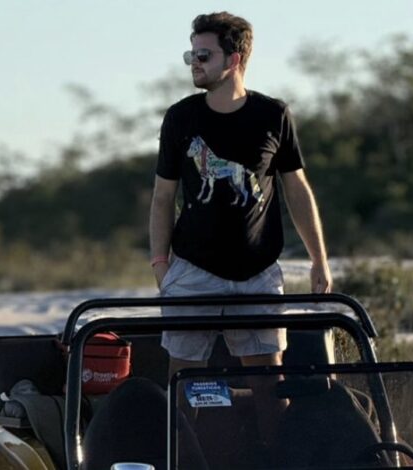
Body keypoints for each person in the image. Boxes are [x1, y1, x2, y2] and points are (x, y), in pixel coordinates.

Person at [148, 11, 332, 446]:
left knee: (270, 385)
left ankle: (276, 458)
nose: (194, 63)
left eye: (203, 55)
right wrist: (160, 265)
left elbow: (296, 189)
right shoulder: (181, 118)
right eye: (191, 55)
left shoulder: (273, 114)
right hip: (192, 270)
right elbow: (162, 197)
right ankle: (183, 461)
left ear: (233, 60)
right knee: (184, 385)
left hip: (257, 273)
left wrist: (319, 259)